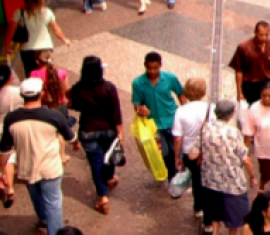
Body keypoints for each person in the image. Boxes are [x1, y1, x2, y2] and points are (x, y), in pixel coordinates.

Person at [0, 78, 75, 235]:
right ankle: (54, 231)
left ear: (22, 95)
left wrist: (4, 173)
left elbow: (5, 149)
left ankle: (43, 219)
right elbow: (70, 137)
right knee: (53, 201)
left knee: (36, 196)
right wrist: (75, 143)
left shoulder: (11, 118)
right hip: (50, 168)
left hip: (26, 168)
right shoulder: (53, 116)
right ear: (41, 93)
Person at [67, 55, 123, 216]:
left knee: (96, 162)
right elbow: (116, 111)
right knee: (109, 156)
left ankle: (103, 195)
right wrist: (120, 130)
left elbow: (73, 103)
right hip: (108, 129)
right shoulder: (109, 88)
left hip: (88, 130)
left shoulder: (78, 89)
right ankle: (111, 177)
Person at [201, 99, 255, 235]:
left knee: (215, 213)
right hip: (233, 183)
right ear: (231, 114)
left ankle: (215, 233)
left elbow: (195, 152)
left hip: (211, 180)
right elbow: (245, 159)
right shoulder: (233, 132)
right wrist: (252, 176)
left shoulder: (206, 128)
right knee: (236, 217)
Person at [131, 51, 185, 181]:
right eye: (149, 68)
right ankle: (171, 175)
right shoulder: (138, 83)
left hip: (172, 119)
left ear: (160, 65)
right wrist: (140, 110)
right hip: (154, 124)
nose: (152, 71)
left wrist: (184, 111)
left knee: (176, 150)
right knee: (164, 152)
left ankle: (177, 174)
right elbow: (137, 104)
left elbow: (180, 94)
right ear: (145, 65)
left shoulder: (170, 78)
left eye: (155, 68)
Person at [5, 0, 71, 78]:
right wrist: (64, 40)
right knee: (47, 73)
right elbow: (56, 29)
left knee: (31, 75)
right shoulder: (46, 12)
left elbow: (10, 31)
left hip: (27, 49)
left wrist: (7, 46)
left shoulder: (19, 13)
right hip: (45, 48)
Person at [172, 77, 212, 225]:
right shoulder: (211, 109)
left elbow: (177, 138)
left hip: (189, 153)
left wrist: (177, 156)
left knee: (196, 181)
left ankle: (198, 208)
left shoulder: (181, 111)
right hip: (207, 152)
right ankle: (208, 216)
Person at [230, 22, 270, 106]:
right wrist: (239, 92)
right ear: (255, 32)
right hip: (250, 85)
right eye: (261, 35)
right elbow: (239, 71)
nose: (264, 38)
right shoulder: (243, 47)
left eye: (266, 35)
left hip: (267, 83)